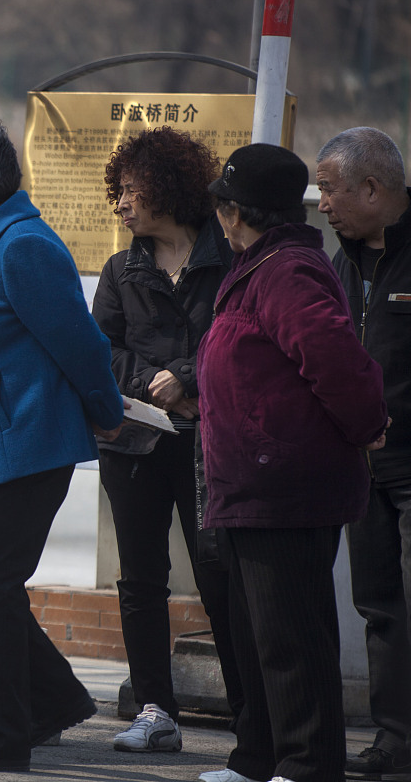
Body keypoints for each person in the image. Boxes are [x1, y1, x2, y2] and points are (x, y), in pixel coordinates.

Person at [0, 114, 125, 772]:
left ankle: (1, 735)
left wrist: (105, 410)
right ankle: (55, 698)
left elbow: (81, 343)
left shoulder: (22, 247)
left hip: (28, 444)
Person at [197, 143, 388, 782]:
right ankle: (258, 759)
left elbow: (338, 361)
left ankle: (308, 766)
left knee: (292, 643)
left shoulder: (286, 271)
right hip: (250, 485)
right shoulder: (260, 265)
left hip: (286, 487)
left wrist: (369, 427)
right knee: (255, 640)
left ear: (232, 212)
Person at [92, 127, 243, 755]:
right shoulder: (120, 267)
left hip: (210, 440)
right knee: (141, 578)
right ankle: (156, 708)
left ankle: (251, 708)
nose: (122, 204)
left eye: (133, 190)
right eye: (119, 192)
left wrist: (182, 378)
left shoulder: (229, 260)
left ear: (170, 188)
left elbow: (234, 334)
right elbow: (100, 349)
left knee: (219, 572)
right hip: (134, 441)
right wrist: (150, 383)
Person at [316, 126, 411, 782]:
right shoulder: (340, 259)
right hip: (363, 469)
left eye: (329, 189)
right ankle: (395, 739)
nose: (321, 203)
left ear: (372, 188)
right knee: (379, 607)